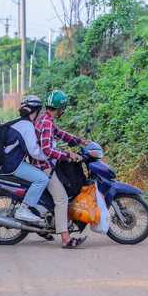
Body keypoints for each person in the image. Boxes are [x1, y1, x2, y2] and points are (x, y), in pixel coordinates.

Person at [33, 89, 90, 249]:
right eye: (63, 107)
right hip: (45, 166)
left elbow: (60, 134)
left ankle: (45, 226)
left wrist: (80, 141)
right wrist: (68, 155)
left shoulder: (45, 118)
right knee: (61, 199)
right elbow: (47, 150)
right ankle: (65, 239)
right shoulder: (46, 122)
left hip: (48, 164)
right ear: (61, 108)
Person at [0, 95, 50, 224]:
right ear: (36, 111)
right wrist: (49, 154)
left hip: (7, 160)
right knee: (42, 179)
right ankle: (23, 209)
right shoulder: (27, 126)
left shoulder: (19, 121)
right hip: (12, 164)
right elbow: (34, 151)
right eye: (39, 112)